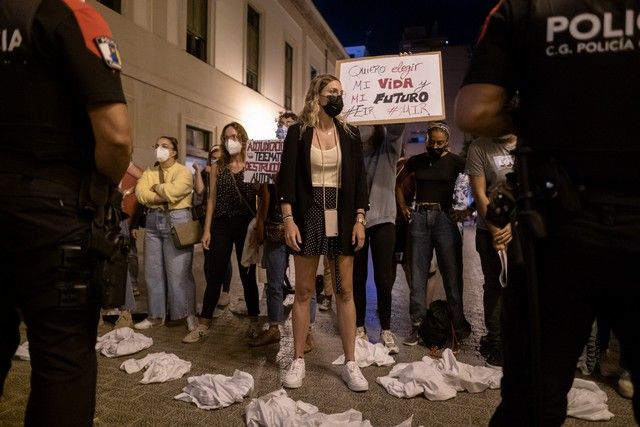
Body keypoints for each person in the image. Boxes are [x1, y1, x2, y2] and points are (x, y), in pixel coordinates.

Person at [455, 1, 640, 425]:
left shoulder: (524, 8)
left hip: (558, 228)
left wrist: (545, 115)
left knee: (533, 400)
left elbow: (474, 110)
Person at [0, 0, 132, 424]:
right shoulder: (68, 13)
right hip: (53, 218)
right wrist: (105, 186)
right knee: (63, 362)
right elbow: (114, 137)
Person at [278, 74, 369, 392]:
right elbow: (286, 180)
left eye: (340, 93)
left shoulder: (351, 134)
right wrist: (288, 219)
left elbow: (359, 180)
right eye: (332, 92)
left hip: (342, 214)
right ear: (316, 96)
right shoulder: (297, 133)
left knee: (345, 292)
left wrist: (360, 217)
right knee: (303, 291)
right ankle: (298, 360)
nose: (338, 97)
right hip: (309, 212)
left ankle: (351, 363)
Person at [183, 122, 261, 343]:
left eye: (234, 136)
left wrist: (260, 226)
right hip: (220, 224)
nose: (230, 141)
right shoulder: (218, 165)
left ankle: (254, 320)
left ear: (243, 138)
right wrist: (206, 230)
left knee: (247, 276)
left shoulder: (252, 164)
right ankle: (204, 323)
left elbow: (262, 196)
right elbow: (211, 200)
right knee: (215, 274)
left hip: (246, 225)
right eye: (226, 137)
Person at [396, 122, 471, 346]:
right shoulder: (416, 160)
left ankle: (457, 327)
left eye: (440, 142)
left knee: (452, 276)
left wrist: (468, 209)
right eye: (432, 142)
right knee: (418, 277)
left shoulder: (457, 161)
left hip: (445, 220)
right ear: (427, 139)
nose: (435, 146)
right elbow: (398, 183)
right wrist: (404, 208)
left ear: (447, 141)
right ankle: (417, 326)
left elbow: (479, 181)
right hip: (419, 218)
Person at [252, 112, 316, 352]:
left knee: (305, 282)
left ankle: (308, 331)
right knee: (274, 281)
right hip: (274, 224)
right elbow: (263, 193)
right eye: (282, 125)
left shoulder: (308, 153)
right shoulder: (270, 156)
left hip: (302, 222)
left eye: (290, 125)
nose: (285, 129)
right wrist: (260, 219)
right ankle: (274, 327)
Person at [134, 137, 198, 332]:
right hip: (153, 222)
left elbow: (176, 191)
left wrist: (156, 189)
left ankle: (187, 314)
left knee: (179, 272)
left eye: (164, 146)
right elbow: (140, 194)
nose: (159, 149)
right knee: (152, 272)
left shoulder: (184, 172)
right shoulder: (149, 171)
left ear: (174, 152)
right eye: (157, 146)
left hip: (177, 220)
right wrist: (159, 195)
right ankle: (155, 316)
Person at [465, 135, 517, 366]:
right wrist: (496, 229)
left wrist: (514, 227)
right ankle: (496, 342)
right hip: (490, 231)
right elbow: (479, 192)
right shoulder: (480, 147)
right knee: (494, 286)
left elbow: (535, 191)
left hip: (522, 228)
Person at [352, 124, 404, 354]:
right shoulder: (351, 151)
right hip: (356, 221)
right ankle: (358, 326)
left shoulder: (389, 147)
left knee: (384, 278)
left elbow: (397, 128)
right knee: (358, 276)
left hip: (384, 219)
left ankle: (385, 329)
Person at [193, 145, 232, 317]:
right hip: (206, 220)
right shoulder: (205, 173)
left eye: (218, 158)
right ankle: (212, 292)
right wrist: (198, 171)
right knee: (210, 259)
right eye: (213, 158)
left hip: (223, 220)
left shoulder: (227, 172)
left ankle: (226, 290)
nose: (215, 160)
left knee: (224, 258)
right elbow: (200, 192)